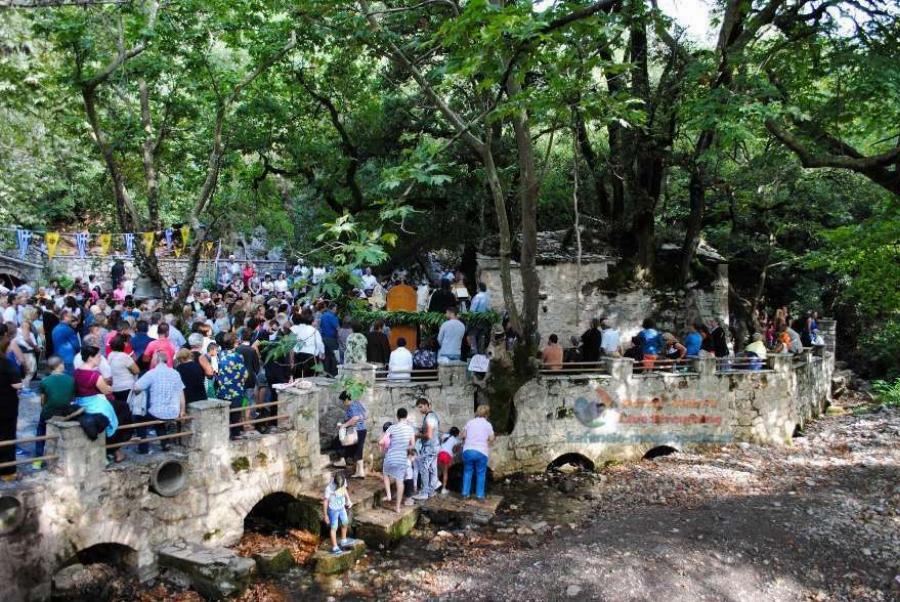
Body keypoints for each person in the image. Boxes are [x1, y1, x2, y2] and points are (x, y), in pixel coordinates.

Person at [74, 345, 122, 461]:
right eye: (98, 356)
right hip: (95, 404)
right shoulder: (95, 375)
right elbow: (106, 390)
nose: (100, 358)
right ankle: (114, 449)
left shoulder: (77, 372)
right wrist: (109, 387)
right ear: (91, 358)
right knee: (116, 418)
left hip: (80, 402)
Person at [133, 350, 186, 453]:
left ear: (156, 361)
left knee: (139, 417)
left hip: (157, 412)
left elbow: (136, 387)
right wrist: (182, 410)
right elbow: (181, 393)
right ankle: (165, 443)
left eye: (152, 359)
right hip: (173, 412)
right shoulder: (175, 373)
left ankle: (143, 449)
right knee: (158, 416)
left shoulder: (151, 373)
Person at [34, 356, 75, 465]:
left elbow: (42, 402)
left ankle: (37, 460)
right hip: (65, 412)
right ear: (60, 365)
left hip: (49, 413)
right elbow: (71, 399)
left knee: (40, 430)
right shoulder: (70, 380)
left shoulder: (45, 381)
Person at [381, 407, 416, 513]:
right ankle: (397, 507)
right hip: (402, 459)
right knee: (399, 482)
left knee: (386, 474)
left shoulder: (391, 428)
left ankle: (388, 495)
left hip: (390, 457)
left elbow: (382, 441)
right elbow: (412, 445)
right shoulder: (410, 429)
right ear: (406, 416)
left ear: (397, 416)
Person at [107, 334, 138, 453]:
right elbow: (136, 370)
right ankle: (129, 431)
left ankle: (120, 429)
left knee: (119, 409)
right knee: (128, 408)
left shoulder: (110, 356)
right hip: (126, 386)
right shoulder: (125, 357)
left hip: (115, 387)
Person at [0, 324, 23, 480]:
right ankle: (7, 471)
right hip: (6, 405)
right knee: (7, 436)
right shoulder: (7, 363)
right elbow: (17, 384)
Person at [216, 333, 249, 439]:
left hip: (222, 389)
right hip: (235, 388)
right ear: (234, 343)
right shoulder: (238, 356)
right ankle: (234, 434)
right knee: (235, 414)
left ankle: (223, 434)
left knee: (224, 414)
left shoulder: (220, 354)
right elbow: (244, 373)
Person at [460, 404, 495, 500]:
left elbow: (462, 435)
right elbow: (492, 438)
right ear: (487, 414)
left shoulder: (470, 422)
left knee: (467, 472)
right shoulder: (488, 425)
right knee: (480, 473)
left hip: (468, 450)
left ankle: (465, 494)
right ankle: (479, 495)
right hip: (481, 452)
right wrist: (486, 442)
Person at [413, 397, 440, 501]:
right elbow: (430, 431)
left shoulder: (429, 417)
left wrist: (417, 435)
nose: (420, 410)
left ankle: (424, 492)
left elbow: (428, 435)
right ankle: (431, 491)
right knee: (433, 469)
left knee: (424, 469)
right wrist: (421, 429)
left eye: (420, 407)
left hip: (429, 447)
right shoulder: (433, 416)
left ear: (426, 405)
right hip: (435, 446)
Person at [337, 390, 368, 478]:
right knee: (358, 449)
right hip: (362, 430)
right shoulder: (358, 403)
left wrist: (344, 425)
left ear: (347, 399)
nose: (343, 403)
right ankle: (359, 471)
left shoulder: (352, 406)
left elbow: (355, 418)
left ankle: (360, 471)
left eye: (343, 401)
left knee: (356, 450)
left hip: (356, 430)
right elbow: (365, 415)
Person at [323, 471, 355, 554]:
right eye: (338, 486)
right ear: (334, 482)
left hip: (341, 507)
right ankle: (335, 547)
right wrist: (326, 515)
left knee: (345, 523)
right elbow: (325, 502)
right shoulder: (329, 488)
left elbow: (344, 490)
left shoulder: (343, 481)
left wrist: (348, 500)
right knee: (334, 527)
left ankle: (344, 540)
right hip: (333, 510)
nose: (340, 487)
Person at [290, 311, 324, 378]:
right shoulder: (314, 331)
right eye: (315, 321)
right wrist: (322, 353)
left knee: (299, 376)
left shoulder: (300, 330)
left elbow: (297, 343)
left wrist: (295, 352)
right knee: (310, 377)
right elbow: (319, 344)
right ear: (312, 321)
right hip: (311, 356)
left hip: (299, 355)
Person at [52, 310, 81, 375]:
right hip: (69, 358)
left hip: (58, 356)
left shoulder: (55, 328)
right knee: (70, 377)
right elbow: (76, 345)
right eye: (70, 317)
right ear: (65, 317)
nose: (71, 319)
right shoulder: (68, 329)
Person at [437, 426, 460, 496]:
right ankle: (443, 489)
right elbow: (456, 449)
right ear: (456, 434)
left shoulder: (444, 435)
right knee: (445, 473)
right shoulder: (456, 440)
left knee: (438, 471)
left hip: (440, 454)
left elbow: (441, 441)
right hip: (446, 456)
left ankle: (434, 486)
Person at [319, 302, 340, 376]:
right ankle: (333, 373)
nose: (336, 310)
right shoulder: (333, 317)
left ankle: (326, 371)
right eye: (335, 309)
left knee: (326, 357)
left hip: (323, 338)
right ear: (333, 308)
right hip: (331, 339)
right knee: (333, 356)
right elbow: (337, 328)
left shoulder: (323, 316)